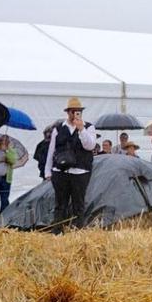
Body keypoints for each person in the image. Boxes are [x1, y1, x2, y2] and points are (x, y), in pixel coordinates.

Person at [43, 97, 98, 231]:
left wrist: (81, 130)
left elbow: (90, 146)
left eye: (78, 111)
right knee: (60, 203)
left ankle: (77, 230)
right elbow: (52, 150)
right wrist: (48, 171)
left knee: (78, 204)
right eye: (72, 111)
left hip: (80, 172)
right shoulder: (58, 128)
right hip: (60, 171)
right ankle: (57, 230)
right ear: (67, 112)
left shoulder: (89, 127)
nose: (74, 114)